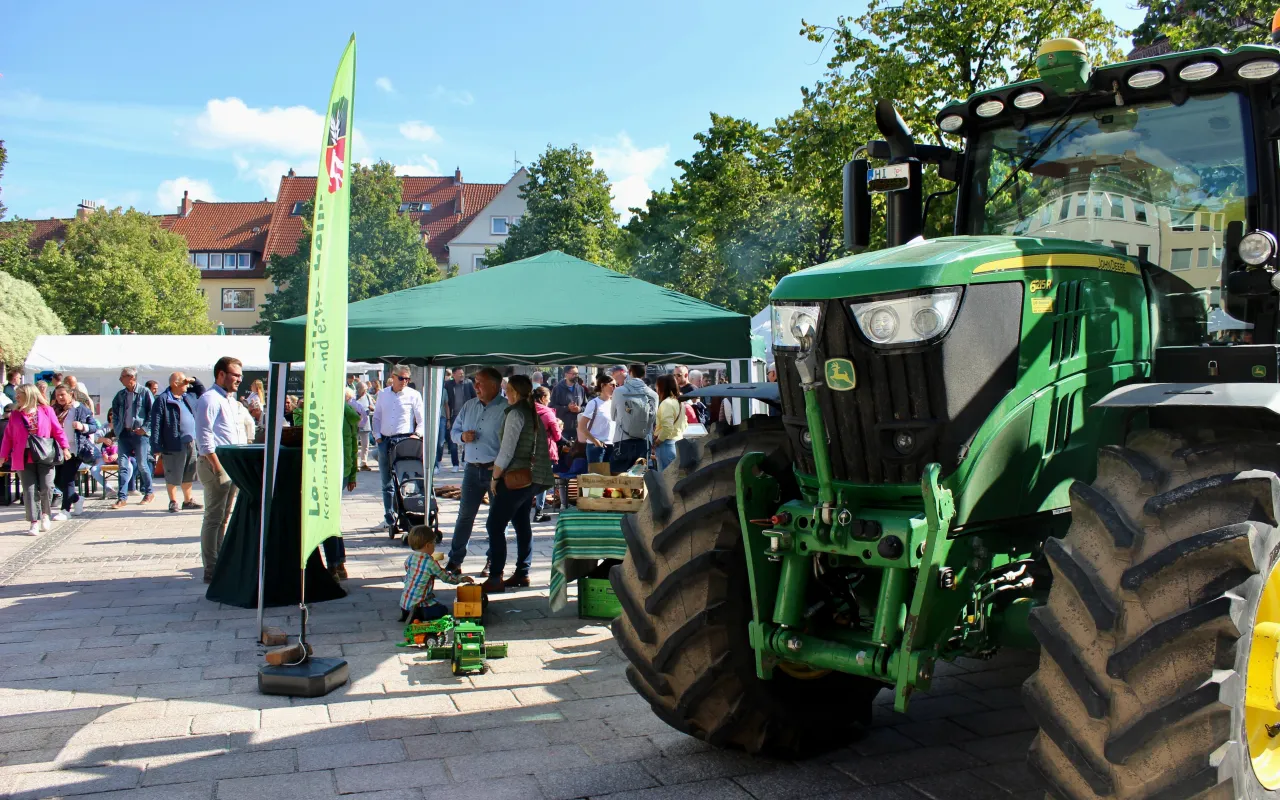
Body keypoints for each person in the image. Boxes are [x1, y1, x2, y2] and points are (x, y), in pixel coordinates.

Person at [484, 375, 554, 593]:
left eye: (508, 390)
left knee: (495, 525)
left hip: (517, 478)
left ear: (512, 391)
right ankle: (522, 573)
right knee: (521, 523)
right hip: (532, 477)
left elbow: (507, 451)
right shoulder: (531, 410)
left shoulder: (516, 413)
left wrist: (495, 477)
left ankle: (495, 577)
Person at [445, 367, 506, 574]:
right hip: (472, 469)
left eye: (480, 383)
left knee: (496, 520)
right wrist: (462, 437)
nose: (476, 387)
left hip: (496, 471)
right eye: (475, 382)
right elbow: (453, 431)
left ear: (495, 386)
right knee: (465, 516)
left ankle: (493, 560)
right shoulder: (469, 406)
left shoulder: (506, 409)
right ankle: (455, 560)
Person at [195, 357, 243, 583]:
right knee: (213, 517)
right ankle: (211, 568)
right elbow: (204, 438)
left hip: (231, 463)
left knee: (224, 517)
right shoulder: (209, 399)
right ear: (221, 375)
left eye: (240, 375)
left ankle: (221, 562)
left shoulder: (231, 401)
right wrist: (217, 467)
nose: (239, 379)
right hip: (215, 462)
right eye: (235, 375)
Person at [1, 385, 71, 536]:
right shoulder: (15, 414)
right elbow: (8, 437)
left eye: (19, 394)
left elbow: (57, 430)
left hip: (45, 454)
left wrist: (65, 447)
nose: (16, 397)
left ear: (29, 394)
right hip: (24, 456)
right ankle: (33, 521)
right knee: (29, 490)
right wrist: (3, 455)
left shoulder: (46, 410)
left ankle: (45, 514)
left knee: (47, 486)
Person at [372, 364, 425, 531]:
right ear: (392, 377)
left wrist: (416, 434)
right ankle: (389, 518)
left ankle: (409, 512)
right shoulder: (382, 394)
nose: (404, 382)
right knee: (386, 482)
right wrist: (378, 437)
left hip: (405, 439)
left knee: (407, 478)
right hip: (385, 440)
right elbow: (377, 417)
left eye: (407, 379)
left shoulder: (413, 395)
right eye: (401, 378)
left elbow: (422, 419)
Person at [150, 372, 204, 513]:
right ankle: (173, 501)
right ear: (175, 383)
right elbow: (155, 423)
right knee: (172, 473)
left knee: (189, 473)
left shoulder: (187, 397)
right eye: (184, 381)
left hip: (190, 441)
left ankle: (188, 500)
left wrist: (193, 380)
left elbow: (201, 391)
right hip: (173, 442)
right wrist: (155, 445)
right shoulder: (163, 399)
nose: (187, 384)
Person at [400, 524, 473, 622]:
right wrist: (461, 579)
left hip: (404, 603)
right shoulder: (431, 563)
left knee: (432, 602)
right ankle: (418, 615)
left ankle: (407, 613)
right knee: (443, 610)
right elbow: (446, 577)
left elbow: (407, 568)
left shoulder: (410, 558)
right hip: (419, 605)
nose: (435, 546)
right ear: (427, 545)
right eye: (434, 543)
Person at [325, 388, 360, 582]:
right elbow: (354, 446)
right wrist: (353, 473)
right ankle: (338, 563)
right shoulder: (348, 413)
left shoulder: (343, 414)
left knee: (327, 519)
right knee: (332, 519)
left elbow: (353, 445)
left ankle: (334, 564)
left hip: (330, 471)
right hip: (343, 470)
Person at [110, 366, 156, 509]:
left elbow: (152, 414)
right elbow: (115, 413)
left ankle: (149, 492)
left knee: (142, 464)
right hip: (124, 434)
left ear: (132, 378)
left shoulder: (145, 392)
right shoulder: (120, 395)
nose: (120, 379)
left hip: (140, 435)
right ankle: (122, 498)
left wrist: (144, 429)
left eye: (123, 376)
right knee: (122, 465)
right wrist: (118, 429)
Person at [51, 384, 97, 519]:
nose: (59, 398)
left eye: (62, 394)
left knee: (68, 478)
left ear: (71, 394)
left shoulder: (80, 409)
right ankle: (76, 499)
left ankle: (65, 510)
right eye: (57, 395)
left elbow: (93, 426)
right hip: (57, 449)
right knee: (56, 480)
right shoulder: (53, 410)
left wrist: (82, 426)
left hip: (74, 449)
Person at [611, 365, 658, 471]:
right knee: (640, 479)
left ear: (630, 372)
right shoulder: (653, 394)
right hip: (644, 441)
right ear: (644, 373)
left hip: (622, 440)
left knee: (620, 479)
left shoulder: (619, 391)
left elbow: (613, 416)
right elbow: (653, 419)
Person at [531, 385, 561, 523]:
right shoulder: (548, 414)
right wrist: (559, 426)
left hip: (528, 450)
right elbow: (557, 436)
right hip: (545, 452)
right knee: (542, 482)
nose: (549, 401)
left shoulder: (526, 410)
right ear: (543, 398)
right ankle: (538, 512)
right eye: (548, 398)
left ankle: (524, 508)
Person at [441, 368, 475, 472]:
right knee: (453, 441)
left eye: (463, 374)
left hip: (467, 416)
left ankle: (464, 460)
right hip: (453, 416)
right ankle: (455, 464)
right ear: (454, 374)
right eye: (460, 374)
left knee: (468, 439)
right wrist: (447, 418)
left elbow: (474, 397)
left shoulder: (468, 383)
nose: (462, 375)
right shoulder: (448, 384)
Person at [578, 375, 616, 465]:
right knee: (597, 477)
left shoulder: (614, 403)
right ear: (603, 385)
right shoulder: (593, 403)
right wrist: (596, 442)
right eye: (612, 385)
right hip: (596, 447)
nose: (615, 388)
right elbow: (582, 426)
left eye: (616, 385)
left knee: (609, 477)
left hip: (612, 445)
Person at [654, 375, 688, 471]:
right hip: (677, 442)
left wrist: (657, 441)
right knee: (674, 476)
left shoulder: (666, 403)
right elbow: (685, 423)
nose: (656, 388)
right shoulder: (679, 402)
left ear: (661, 387)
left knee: (666, 477)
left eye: (657, 386)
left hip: (666, 444)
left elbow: (667, 428)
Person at [549, 367, 585, 443]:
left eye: (577, 374)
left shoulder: (580, 389)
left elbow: (587, 406)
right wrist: (567, 408)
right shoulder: (557, 389)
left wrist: (579, 409)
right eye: (574, 374)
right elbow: (551, 408)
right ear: (566, 374)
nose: (576, 376)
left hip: (578, 429)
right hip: (563, 429)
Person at [351, 380, 373, 470]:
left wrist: (370, 407)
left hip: (366, 424)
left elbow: (372, 406)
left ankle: (363, 463)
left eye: (366, 389)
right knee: (354, 445)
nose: (365, 391)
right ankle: (354, 464)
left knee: (365, 445)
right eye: (364, 389)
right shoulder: (353, 397)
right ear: (358, 389)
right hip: (356, 424)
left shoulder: (368, 396)